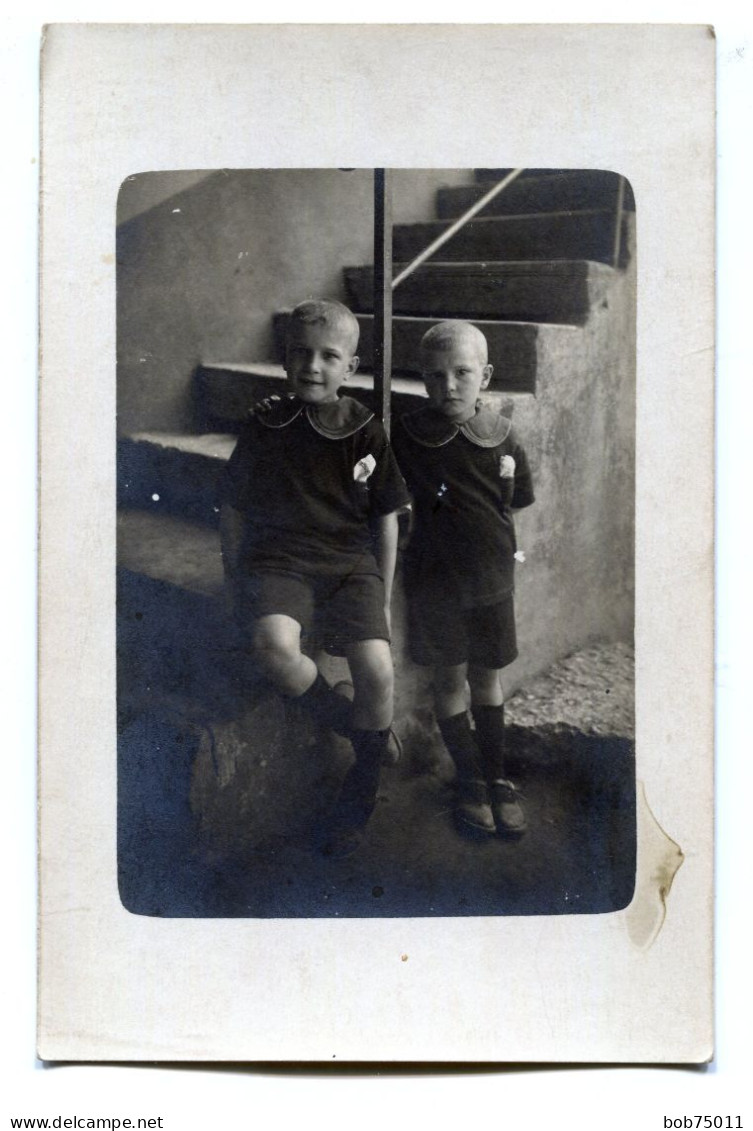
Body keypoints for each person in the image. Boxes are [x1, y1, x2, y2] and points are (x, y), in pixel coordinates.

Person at [217, 299, 410, 855]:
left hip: (350, 564)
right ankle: (355, 726)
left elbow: (386, 516)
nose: (313, 366)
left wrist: (385, 595)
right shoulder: (266, 423)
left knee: (376, 670)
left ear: (350, 368)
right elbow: (233, 505)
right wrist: (236, 579)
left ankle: (360, 792)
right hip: (281, 561)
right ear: (284, 359)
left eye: (330, 356)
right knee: (273, 645)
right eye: (301, 352)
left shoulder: (363, 429)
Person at [391, 320, 535, 838]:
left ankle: (497, 776)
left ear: (486, 376)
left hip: (493, 582)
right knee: (449, 680)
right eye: (434, 376)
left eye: (462, 372)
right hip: (435, 585)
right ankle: (469, 780)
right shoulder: (407, 436)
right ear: (422, 379)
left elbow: (515, 502)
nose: (447, 385)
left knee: (487, 679)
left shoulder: (504, 436)